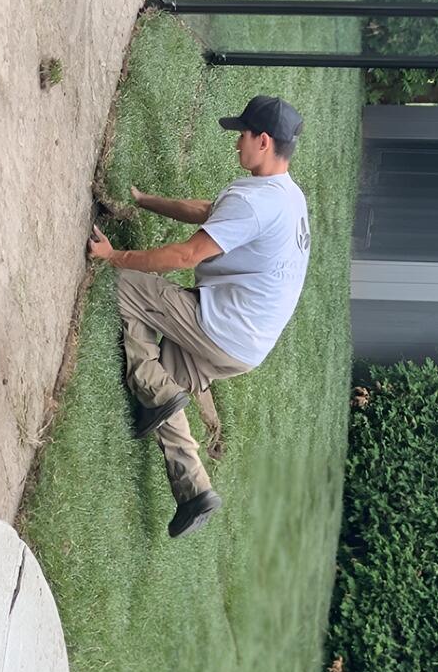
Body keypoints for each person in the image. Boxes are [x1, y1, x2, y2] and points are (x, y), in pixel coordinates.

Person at [87, 95, 310, 540]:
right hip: (249, 345)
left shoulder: (257, 204)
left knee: (124, 286)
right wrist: (144, 200)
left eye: (242, 135)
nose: (236, 144)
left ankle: (158, 388)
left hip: (224, 328)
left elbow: (186, 254)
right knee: (163, 389)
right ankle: (195, 492)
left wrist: (115, 257)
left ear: (263, 141)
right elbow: (210, 213)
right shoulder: (285, 196)